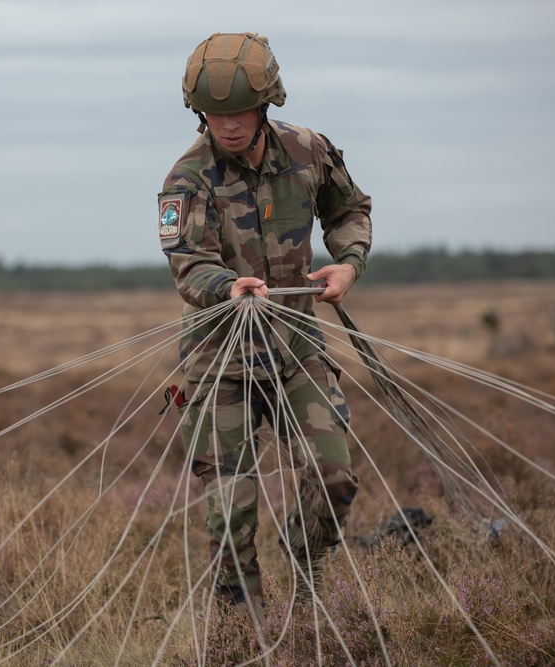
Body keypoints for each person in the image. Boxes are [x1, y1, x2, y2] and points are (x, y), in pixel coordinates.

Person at [158, 32, 373, 620]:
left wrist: (348, 265)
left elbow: (350, 209)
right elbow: (188, 262)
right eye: (214, 114)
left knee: (335, 477)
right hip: (217, 360)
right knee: (231, 510)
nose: (227, 125)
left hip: (295, 349)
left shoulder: (308, 151)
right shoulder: (187, 179)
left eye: (239, 111)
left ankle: (306, 567)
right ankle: (242, 628)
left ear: (268, 102)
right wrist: (227, 286)